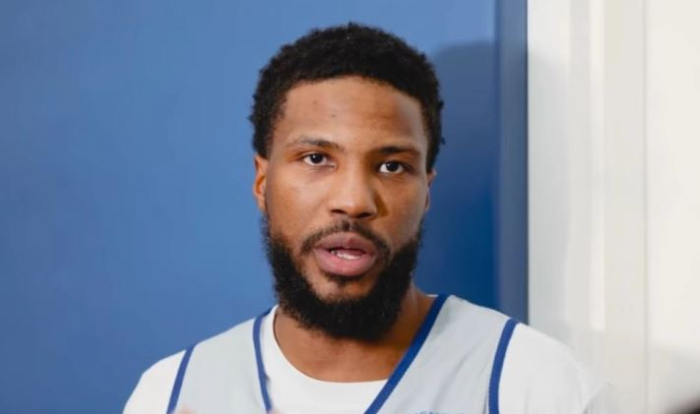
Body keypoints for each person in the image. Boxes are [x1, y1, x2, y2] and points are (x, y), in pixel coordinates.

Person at [124, 23, 606, 414]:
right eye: (316, 158)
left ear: (426, 191)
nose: (354, 201)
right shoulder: (171, 394)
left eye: (391, 166)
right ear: (262, 182)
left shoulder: (535, 384)